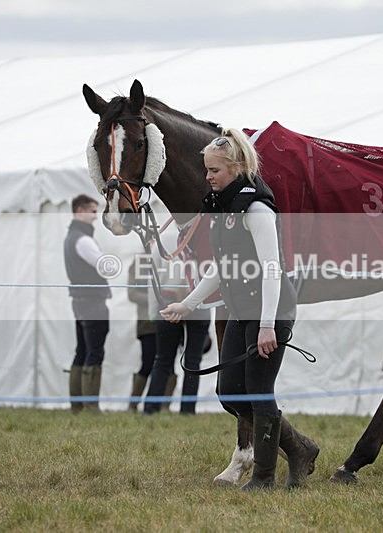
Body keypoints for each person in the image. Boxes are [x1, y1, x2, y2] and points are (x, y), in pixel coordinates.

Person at [160, 129, 319, 490]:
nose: (208, 177)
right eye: (207, 170)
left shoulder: (257, 209)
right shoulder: (222, 206)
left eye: (214, 170)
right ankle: (299, 447)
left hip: (270, 312)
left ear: (236, 168)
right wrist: (188, 303)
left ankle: (263, 478)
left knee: (260, 392)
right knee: (230, 392)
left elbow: (273, 269)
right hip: (241, 310)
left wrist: (267, 327)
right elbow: (222, 266)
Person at [143, 230, 211, 415]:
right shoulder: (205, 236)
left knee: (163, 360)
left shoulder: (163, 240)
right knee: (192, 362)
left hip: (169, 301)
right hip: (198, 303)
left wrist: (153, 312)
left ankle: (150, 409)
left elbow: (154, 279)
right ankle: (187, 411)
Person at [64, 194, 111, 414]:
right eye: (92, 211)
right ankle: (90, 406)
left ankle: (78, 405)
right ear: (80, 210)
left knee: (82, 350)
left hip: (81, 300)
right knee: (94, 351)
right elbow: (103, 265)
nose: (95, 215)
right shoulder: (82, 239)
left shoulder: (72, 237)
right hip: (92, 302)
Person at [126, 257, 157, 411]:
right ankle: (133, 404)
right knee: (147, 363)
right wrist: (155, 299)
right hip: (147, 322)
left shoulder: (171, 258)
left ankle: (163, 405)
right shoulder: (139, 262)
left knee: (167, 365)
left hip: (168, 320)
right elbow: (132, 293)